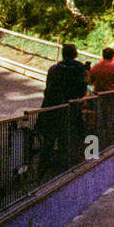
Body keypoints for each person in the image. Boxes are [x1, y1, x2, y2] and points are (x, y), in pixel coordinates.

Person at [37, 44, 90, 172]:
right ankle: (64, 169)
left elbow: (48, 89)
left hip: (51, 108)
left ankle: (42, 170)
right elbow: (81, 91)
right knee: (67, 141)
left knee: (48, 142)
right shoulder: (79, 70)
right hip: (70, 111)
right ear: (75, 54)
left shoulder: (54, 69)